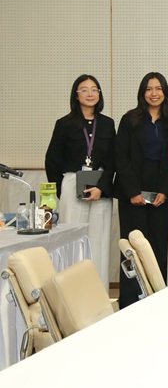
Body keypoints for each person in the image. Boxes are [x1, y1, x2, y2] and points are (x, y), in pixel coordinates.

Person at [44, 74, 116, 288]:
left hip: (100, 186)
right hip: (72, 184)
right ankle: (70, 292)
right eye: (84, 90)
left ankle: (98, 292)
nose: (90, 94)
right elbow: (52, 160)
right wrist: (64, 191)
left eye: (94, 89)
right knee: (71, 240)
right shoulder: (64, 124)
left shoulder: (107, 124)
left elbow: (114, 160)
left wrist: (102, 187)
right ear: (76, 95)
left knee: (99, 241)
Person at [114, 72, 168, 307]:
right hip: (132, 189)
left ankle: (156, 299)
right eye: (149, 89)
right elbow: (120, 157)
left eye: (158, 88)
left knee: (158, 246)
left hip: (160, 190)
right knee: (133, 246)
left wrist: (166, 190)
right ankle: (129, 301)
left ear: (165, 92)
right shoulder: (129, 119)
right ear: (142, 93)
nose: (154, 93)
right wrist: (132, 191)